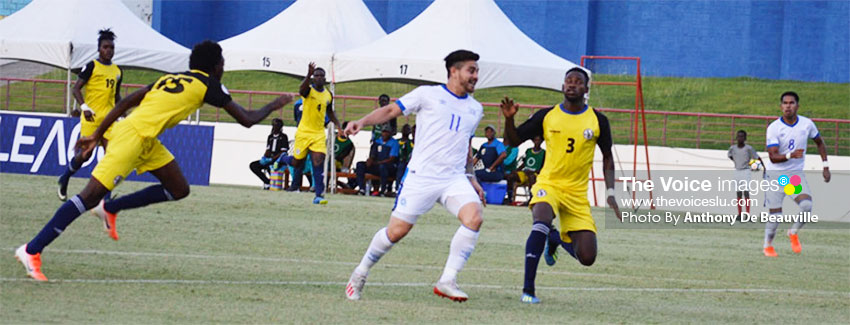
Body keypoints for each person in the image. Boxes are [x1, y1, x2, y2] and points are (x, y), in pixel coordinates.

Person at [13, 40, 294, 281]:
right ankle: (32, 250)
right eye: (222, 63)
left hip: (143, 137)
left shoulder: (170, 77)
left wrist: (98, 133)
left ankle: (110, 208)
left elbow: (125, 103)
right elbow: (247, 119)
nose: (223, 68)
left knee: (179, 188)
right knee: (87, 197)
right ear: (214, 66)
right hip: (132, 137)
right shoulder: (209, 84)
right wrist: (274, 104)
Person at [344, 50, 486, 302]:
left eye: (476, 70)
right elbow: (390, 111)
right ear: (454, 71)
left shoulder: (476, 109)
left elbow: (466, 143)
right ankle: (360, 272)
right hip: (421, 177)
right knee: (396, 232)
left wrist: (471, 176)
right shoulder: (427, 94)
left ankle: (447, 280)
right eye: (471, 70)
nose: (476, 75)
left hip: (453, 178)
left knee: (474, 217)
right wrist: (362, 122)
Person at [501, 67, 620, 304]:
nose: (572, 85)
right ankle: (528, 291)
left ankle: (554, 239)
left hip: (576, 194)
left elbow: (607, 156)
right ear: (563, 86)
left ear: (586, 89)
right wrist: (509, 119)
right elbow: (512, 141)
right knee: (541, 220)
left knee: (587, 257)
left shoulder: (597, 120)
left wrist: (610, 193)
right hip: (549, 184)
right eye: (568, 81)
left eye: (578, 82)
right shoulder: (547, 115)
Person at [762, 91, 830, 257]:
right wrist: (789, 155)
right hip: (775, 177)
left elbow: (820, 143)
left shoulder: (807, 124)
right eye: (785, 103)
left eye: (791, 103)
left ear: (797, 106)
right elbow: (773, 156)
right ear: (781, 106)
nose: (788, 106)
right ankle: (767, 246)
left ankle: (793, 232)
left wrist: (826, 166)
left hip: (793, 177)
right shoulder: (774, 128)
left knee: (806, 205)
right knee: (775, 217)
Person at [57, 29, 123, 201]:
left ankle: (106, 198)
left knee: (112, 157)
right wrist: (84, 107)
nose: (109, 50)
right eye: (105, 47)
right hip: (91, 119)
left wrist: (122, 113)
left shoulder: (117, 71)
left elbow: (116, 96)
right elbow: (76, 88)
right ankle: (65, 178)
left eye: (111, 48)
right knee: (85, 156)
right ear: (99, 49)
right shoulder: (92, 66)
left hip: (109, 120)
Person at [278, 63, 341, 204]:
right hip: (304, 133)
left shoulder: (328, 95)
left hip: (318, 134)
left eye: (321, 76)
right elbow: (301, 89)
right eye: (316, 76)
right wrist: (308, 74)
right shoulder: (308, 91)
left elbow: (330, 111)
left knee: (318, 163)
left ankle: (319, 195)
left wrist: (338, 126)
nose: (318, 78)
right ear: (313, 78)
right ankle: (283, 158)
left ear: (325, 78)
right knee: (296, 162)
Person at [727, 130, 763, 219]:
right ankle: (739, 214)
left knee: (746, 192)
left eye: (742, 136)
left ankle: (747, 214)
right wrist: (736, 161)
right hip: (737, 171)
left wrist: (762, 167)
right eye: (739, 136)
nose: (740, 138)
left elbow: (757, 158)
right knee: (738, 193)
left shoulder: (749, 148)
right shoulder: (733, 148)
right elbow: (730, 155)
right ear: (736, 138)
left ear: (745, 138)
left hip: (746, 171)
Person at [355, 128, 399, 196]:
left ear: (390, 133)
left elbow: (392, 158)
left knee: (383, 167)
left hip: (387, 166)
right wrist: (370, 160)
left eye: (387, 132)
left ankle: (383, 191)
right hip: (376, 165)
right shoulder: (377, 141)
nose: (384, 134)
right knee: (360, 164)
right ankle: (361, 189)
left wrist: (379, 162)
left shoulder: (394, 142)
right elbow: (373, 154)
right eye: (383, 132)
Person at [249, 118, 289, 190]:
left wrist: (272, 159)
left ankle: (274, 183)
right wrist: (264, 157)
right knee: (253, 165)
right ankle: (267, 182)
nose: (274, 127)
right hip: (269, 159)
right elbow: (268, 149)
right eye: (273, 125)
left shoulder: (283, 137)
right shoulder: (270, 137)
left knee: (269, 166)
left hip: (278, 160)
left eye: (276, 125)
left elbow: (283, 152)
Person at [507, 135, 545, 204]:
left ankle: (531, 199)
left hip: (535, 173)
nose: (537, 142)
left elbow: (543, 167)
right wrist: (517, 170)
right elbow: (524, 163)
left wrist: (534, 171)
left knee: (532, 177)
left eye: (538, 140)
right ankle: (510, 198)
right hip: (525, 172)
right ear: (533, 141)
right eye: (535, 140)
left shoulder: (543, 153)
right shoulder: (528, 151)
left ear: (542, 141)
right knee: (511, 176)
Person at [395, 123, 414, 191]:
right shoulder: (396, 141)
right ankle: (397, 188)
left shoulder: (410, 143)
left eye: (408, 129)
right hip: (396, 161)